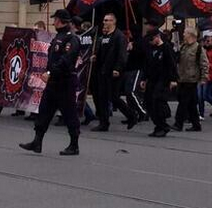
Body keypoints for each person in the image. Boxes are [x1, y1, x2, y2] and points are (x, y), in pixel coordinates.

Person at [20, 10, 81, 155]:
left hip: (65, 82)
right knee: (44, 111)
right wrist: (48, 72)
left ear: (60, 21)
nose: (53, 22)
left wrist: (50, 73)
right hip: (53, 82)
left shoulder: (71, 38)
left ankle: (74, 145)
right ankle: (37, 142)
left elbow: (66, 60)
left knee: (69, 114)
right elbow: (52, 58)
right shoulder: (58, 37)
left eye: (55, 20)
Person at [90, 13, 138, 132]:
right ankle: (104, 123)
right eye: (104, 20)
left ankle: (132, 115)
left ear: (114, 22)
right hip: (102, 71)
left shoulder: (119, 36)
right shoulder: (103, 36)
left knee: (114, 97)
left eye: (108, 20)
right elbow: (101, 52)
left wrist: (118, 68)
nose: (105, 22)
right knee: (102, 97)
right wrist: (95, 56)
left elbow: (122, 55)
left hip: (113, 71)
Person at [141, 28, 178, 137]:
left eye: (152, 40)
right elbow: (146, 64)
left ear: (157, 37)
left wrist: (173, 79)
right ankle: (157, 125)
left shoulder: (166, 47)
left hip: (163, 79)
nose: (150, 42)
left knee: (158, 101)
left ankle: (163, 126)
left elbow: (172, 64)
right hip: (152, 79)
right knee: (149, 102)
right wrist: (143, 78)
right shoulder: (150, 48)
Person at [171, 27, 208, 132]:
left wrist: (204, 78)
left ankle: (178, 123)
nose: (183, 35)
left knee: (183, 101)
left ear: (191, 35)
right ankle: (196, 125)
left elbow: (204, 64)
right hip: (182, 78)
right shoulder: (183, 46)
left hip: (191, 79)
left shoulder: (198, 48)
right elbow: (178, 60)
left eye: (185, 33)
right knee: (191, 103)